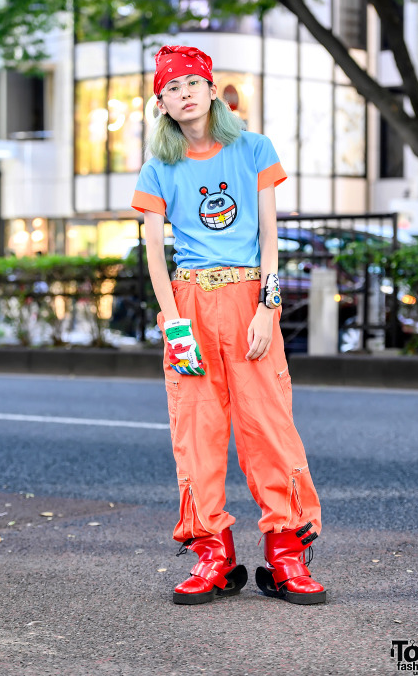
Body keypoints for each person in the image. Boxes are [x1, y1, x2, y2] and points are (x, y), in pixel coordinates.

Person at [131, 45, 326, 606]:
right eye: (172, 87)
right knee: (195, 432)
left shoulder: (253, 150)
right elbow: (153, 254)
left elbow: (270, 236)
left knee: (268, 425)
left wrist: (269, 306)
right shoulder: (158, 167)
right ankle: (214, 557)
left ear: (212, 90)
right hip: (189, 302)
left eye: (194, 82)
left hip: (247, 300)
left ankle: (287, 554)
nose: (185, 92)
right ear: (162, 103)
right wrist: (172, 324)